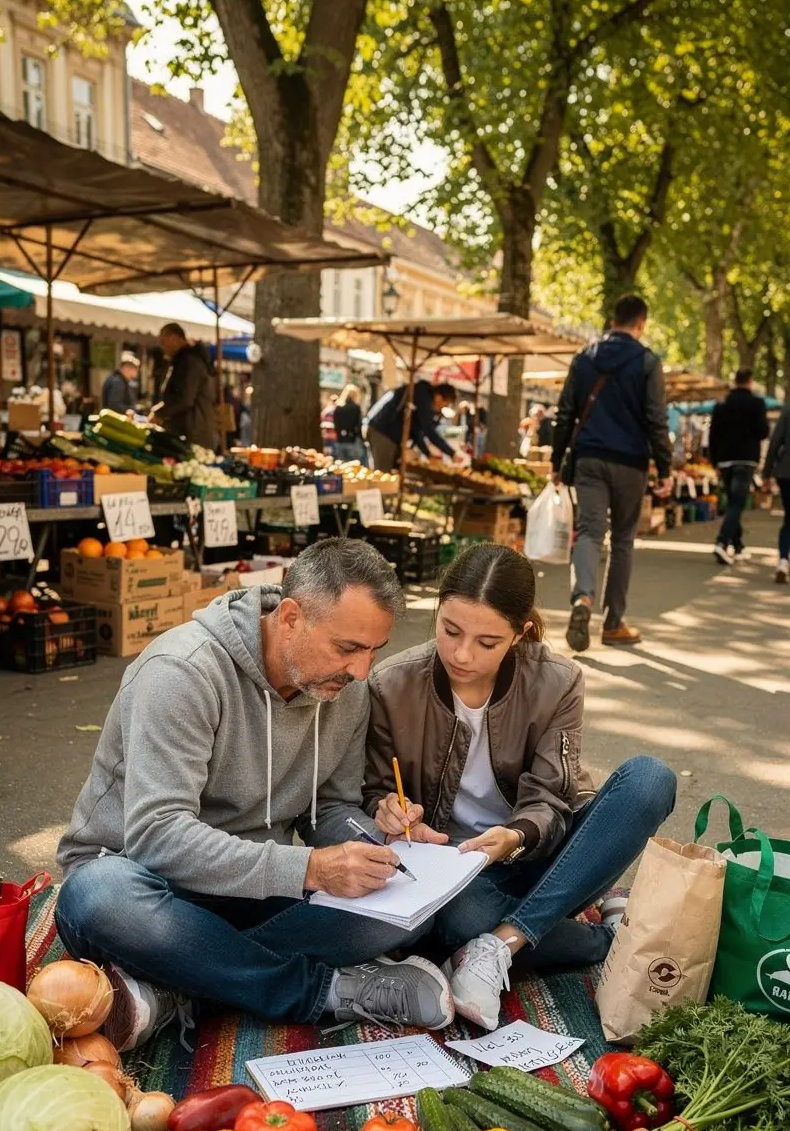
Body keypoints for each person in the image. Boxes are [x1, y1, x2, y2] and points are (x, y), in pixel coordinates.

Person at [54, 540, 455, 1049]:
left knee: (403, 911)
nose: (361, 671)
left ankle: (181, 984)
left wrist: (376, 838)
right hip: (146, 883)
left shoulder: (346, 693)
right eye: (348, 647)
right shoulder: (183, 672)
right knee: (98, 896)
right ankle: (322, 991)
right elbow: (158, 836)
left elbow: (327, 810)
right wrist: (311, 869)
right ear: (289, 617)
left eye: (375, 649)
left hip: (248, 891)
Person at [364, 543, 676, 1030]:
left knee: (650, 779)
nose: (462, 654)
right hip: (461, 872)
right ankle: (604, 938)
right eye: (449, 630)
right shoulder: (391, 684)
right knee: (459, 921)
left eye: (487, 642)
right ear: (438, 610)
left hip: (544, 851)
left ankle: (501, 942)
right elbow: (376, 790)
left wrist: (515, 837)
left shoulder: (558, 681)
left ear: (520, 633)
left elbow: (552, 798)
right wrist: (388, 811)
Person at [552, 293, 672, 652]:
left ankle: (583, 599)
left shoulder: (583, 358)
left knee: (589, 531)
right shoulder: (648, 362)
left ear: (611, 319)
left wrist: (558, 460)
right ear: (642, 323)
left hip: (589, 458)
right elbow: (656, 419)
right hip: (631, 463)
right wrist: (664, 467)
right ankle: (614, 623)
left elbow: (565, 413)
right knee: (622, 541)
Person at [710, 369, 769, 567]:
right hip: (745, 460)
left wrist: (714, 461)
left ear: (735, 381)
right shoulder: (757, 404)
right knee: (737, 502)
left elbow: (713, 435)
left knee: (732, 501)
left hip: (725, 460)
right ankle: (722, 542)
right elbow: (763, 432)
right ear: (750, 381)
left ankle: (738, 544)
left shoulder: (722, 404)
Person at [366, 380, 461, 471]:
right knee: (383, 474)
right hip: (383, 433)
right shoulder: (424, 396)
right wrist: (452, 453)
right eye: (444, 405)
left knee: (387, 473)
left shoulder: (422, 396)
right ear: (439, 397)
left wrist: (428, 454)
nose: (440, 409)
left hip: (385, 434)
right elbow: (428, 430)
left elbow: (416, 431)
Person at [151, 323, 216, 450]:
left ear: (174, 338)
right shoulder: (183, 361)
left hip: (193, 434)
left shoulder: (189, 362)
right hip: (190, 431)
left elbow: (184, 399)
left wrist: (159, 413)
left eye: (163, 342)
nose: (162, 347)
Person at [762, 400, 790, 584]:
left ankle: (782, 560)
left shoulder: (788, 408)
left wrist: (767, 472)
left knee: (789, 518)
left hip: (786, 470)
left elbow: (775, 441)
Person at [332, 383, 369, 463]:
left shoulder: (338, 408)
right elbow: (358, 426)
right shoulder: (356, 408)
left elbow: (336, 425)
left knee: (341, 468)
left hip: (340, 441)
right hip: (353, 441)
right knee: (354, 469)